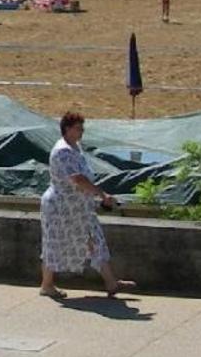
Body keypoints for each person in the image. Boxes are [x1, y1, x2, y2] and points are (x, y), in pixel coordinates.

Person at [38, 111, 133, 300]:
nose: (81, 132)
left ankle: (111, 282)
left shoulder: (75, 147)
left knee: (94, 240)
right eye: (77, 128)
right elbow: (77, 179)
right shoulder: (63, 151)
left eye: (82, 128)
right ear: (67, 129)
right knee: (54, 244)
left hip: (78, 207)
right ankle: (46, 285)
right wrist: (101, 194)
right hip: (61, 208)